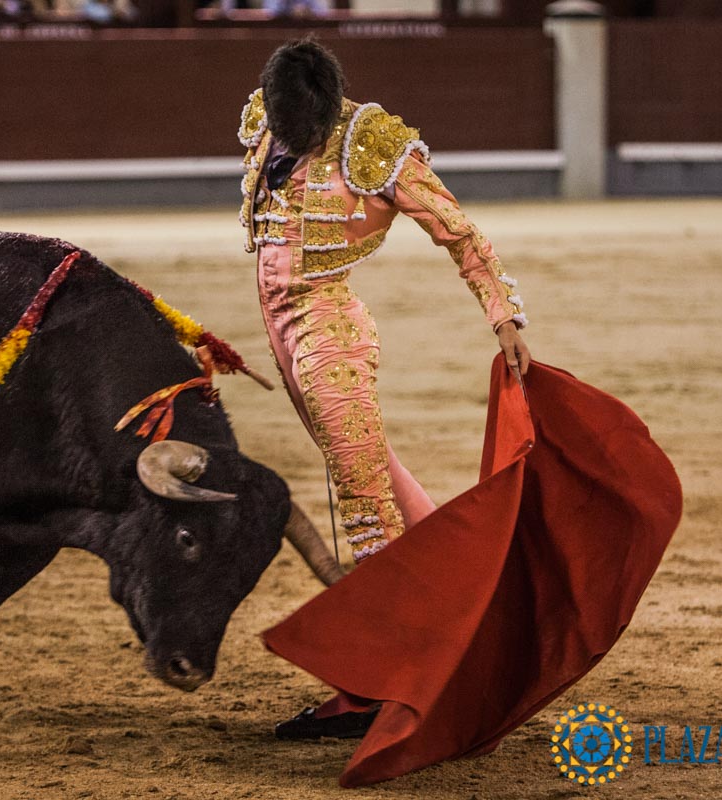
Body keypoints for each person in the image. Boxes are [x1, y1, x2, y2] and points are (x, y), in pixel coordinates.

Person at [238, 38, 531, 739]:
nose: (291, 139)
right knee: (382, 481)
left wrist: (504, 317)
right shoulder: (266, 118)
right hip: (284, 336)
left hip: (330, 336)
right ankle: (467, 612)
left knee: (366, 505)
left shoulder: (373, 144)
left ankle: (387, 682)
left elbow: (459, 232)